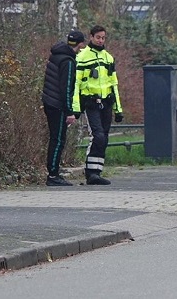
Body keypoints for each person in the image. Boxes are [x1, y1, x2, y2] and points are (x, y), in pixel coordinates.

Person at [72, 25, 123, 185]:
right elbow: (76, 84)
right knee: (98, 136)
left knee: (104, 138)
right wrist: (76, 107)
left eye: (103, 38)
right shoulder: (82, 57)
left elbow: (114, 84)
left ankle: (97, 172)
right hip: (91, 102)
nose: (101, 40)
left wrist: (118, 109)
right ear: (91, 37)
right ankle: (90, 172)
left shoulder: (108, 58)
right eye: (98, 37)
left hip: (106, 101)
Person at [42, 30, 86, 186]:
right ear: (80, 44)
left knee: (55, 137)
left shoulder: (56, 55)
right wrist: (69, 111)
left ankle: (53, 171)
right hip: (57, 105)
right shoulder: (68, 61)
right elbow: (66, 88)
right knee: (58, 139)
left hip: (49, 101)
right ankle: (53, 175)